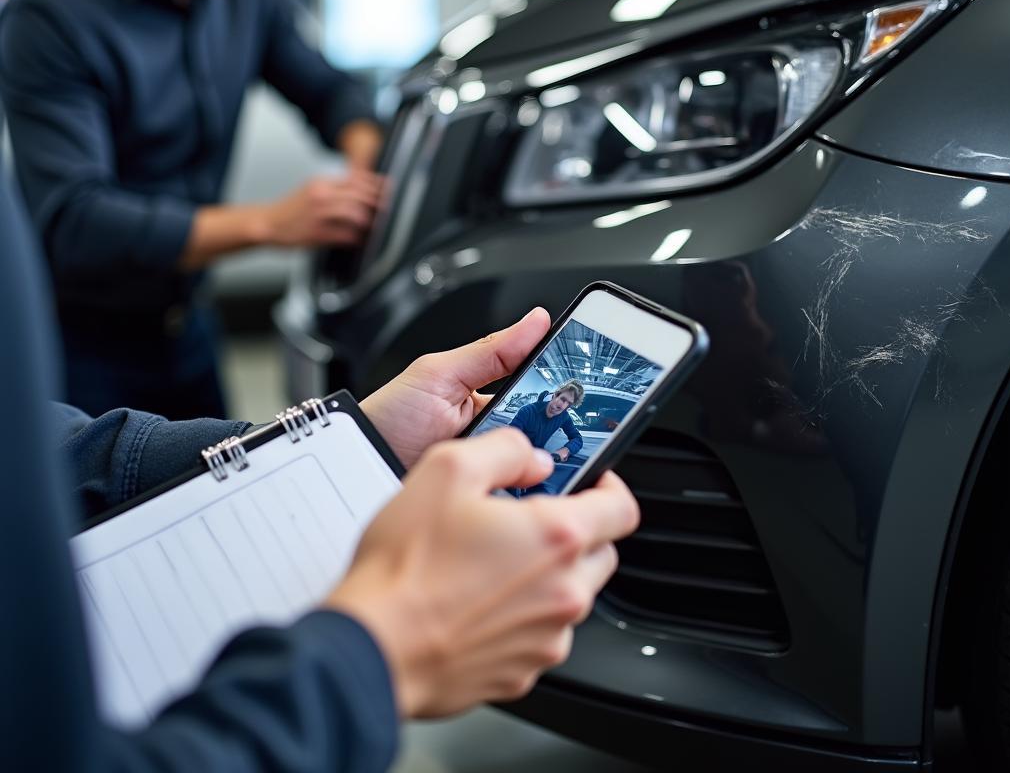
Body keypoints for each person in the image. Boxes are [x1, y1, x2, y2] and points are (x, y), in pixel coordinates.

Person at [0, 168, 640, 772]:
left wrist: (358, 445)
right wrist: (382, 655)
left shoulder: (556, 422)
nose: (556, 401)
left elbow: (44, 446)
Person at [0, 0, 385, 421]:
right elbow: (76, 219)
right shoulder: (49, 14)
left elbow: (330, 90)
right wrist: (271, 222)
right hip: (79, 352)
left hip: (192, 334)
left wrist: (363, 159)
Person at [511, 379, 586, 462]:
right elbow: (509, 437)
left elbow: (577, 438)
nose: (562, 406)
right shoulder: (527, 411)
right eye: (562, 399)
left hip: (536, 460)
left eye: (568, 404)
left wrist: (566, 450)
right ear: (555, 395)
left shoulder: (564, 417)